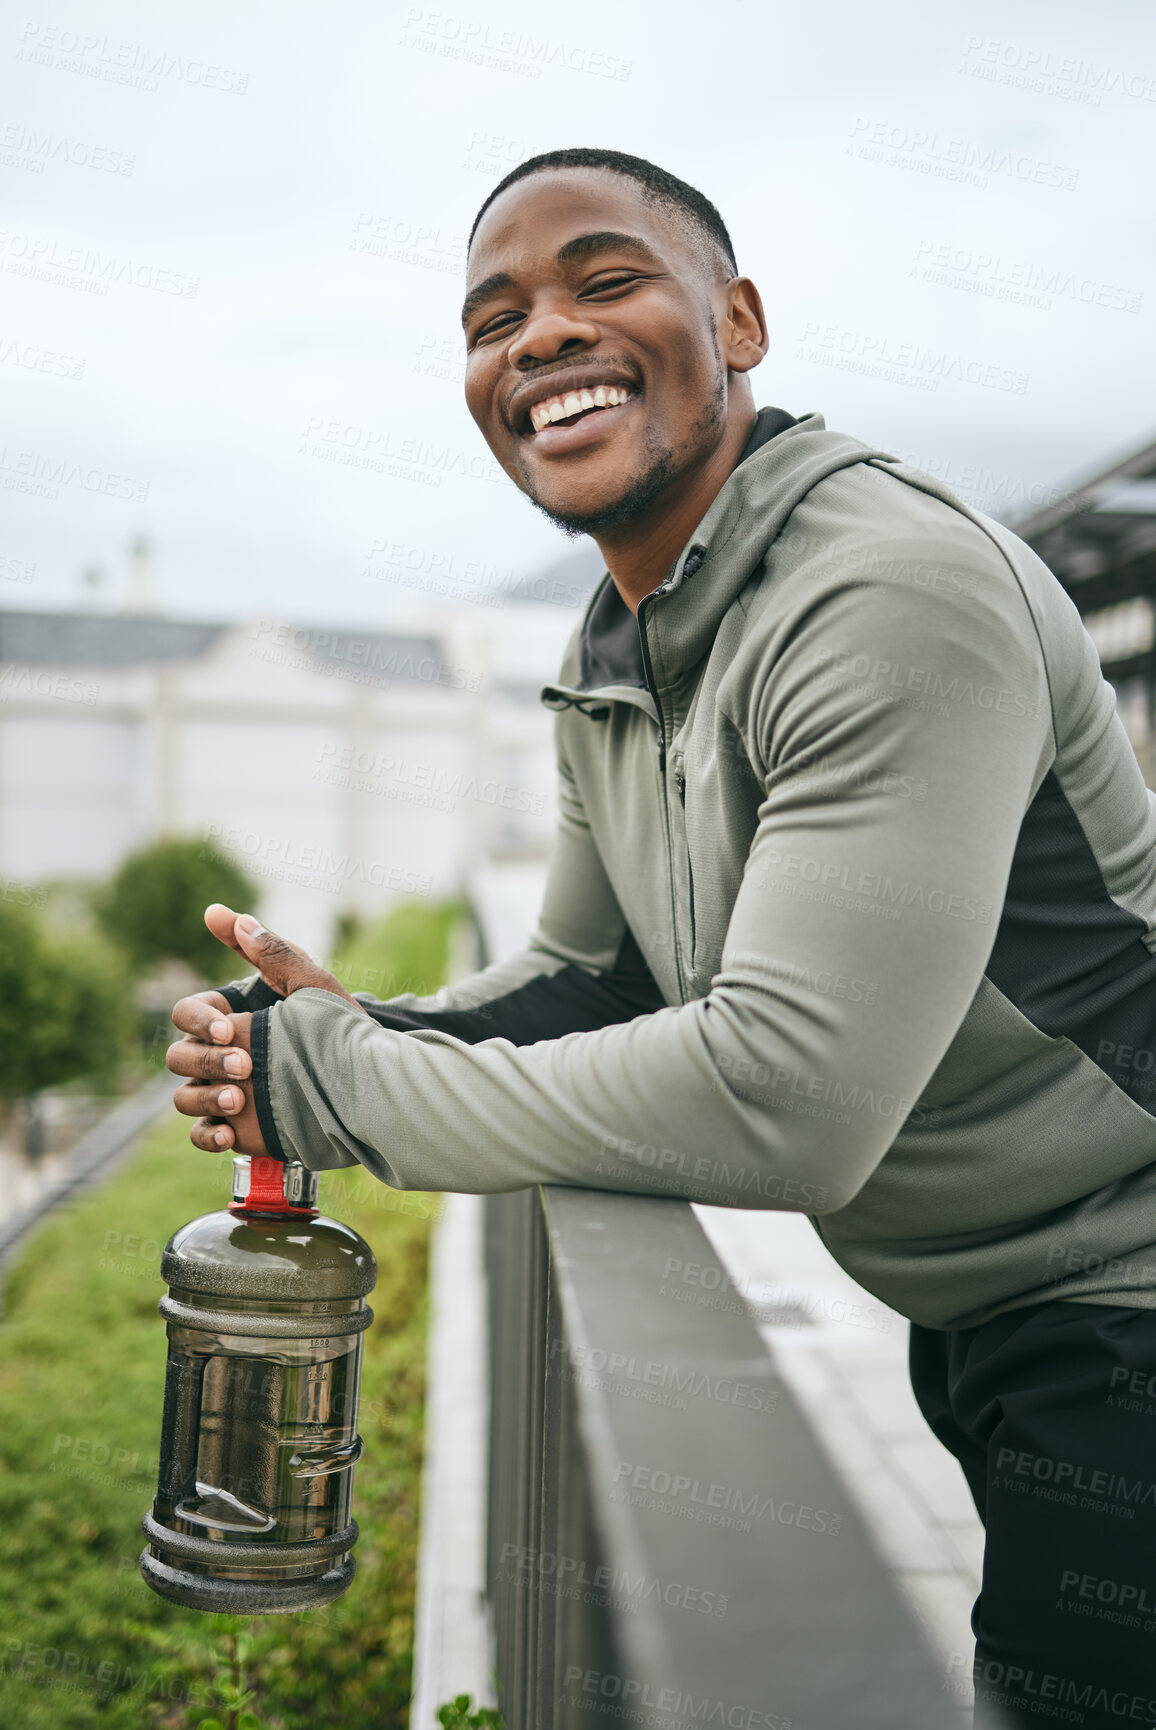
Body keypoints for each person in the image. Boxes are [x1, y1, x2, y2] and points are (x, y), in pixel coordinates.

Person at [167, 149, 1156, 1727]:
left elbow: (791, 1097)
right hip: (991, 1293)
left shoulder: (884, 591)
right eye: (497, 318)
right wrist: (356, 1029)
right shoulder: (624, 632)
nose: (542, 335)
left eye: (603, 281)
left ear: (741, 320)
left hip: (1126, 1285)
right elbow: (590, 977)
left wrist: (346, 1089)